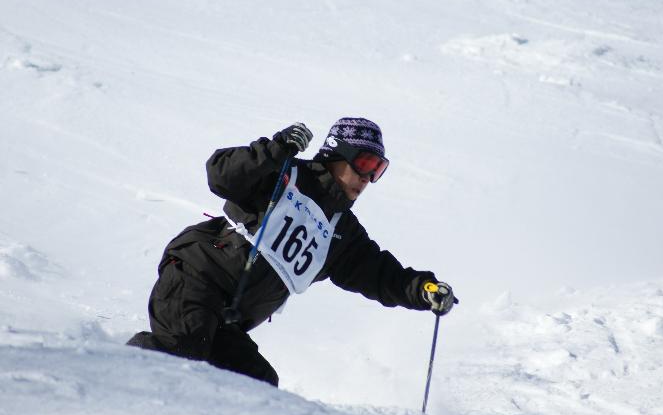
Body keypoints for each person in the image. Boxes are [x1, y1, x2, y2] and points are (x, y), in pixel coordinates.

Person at [127, 117, 457, 386]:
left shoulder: (341, 231)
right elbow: (220, 174)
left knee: (256, 386)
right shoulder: (286, 174)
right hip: (197, 276)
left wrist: (423, 290)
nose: (368, 178)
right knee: (183, 354)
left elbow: (380, 274)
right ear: (337, 154)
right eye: (365, 163)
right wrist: (274, 149)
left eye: (378, 169)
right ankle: (113, 367)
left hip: (229, 318)